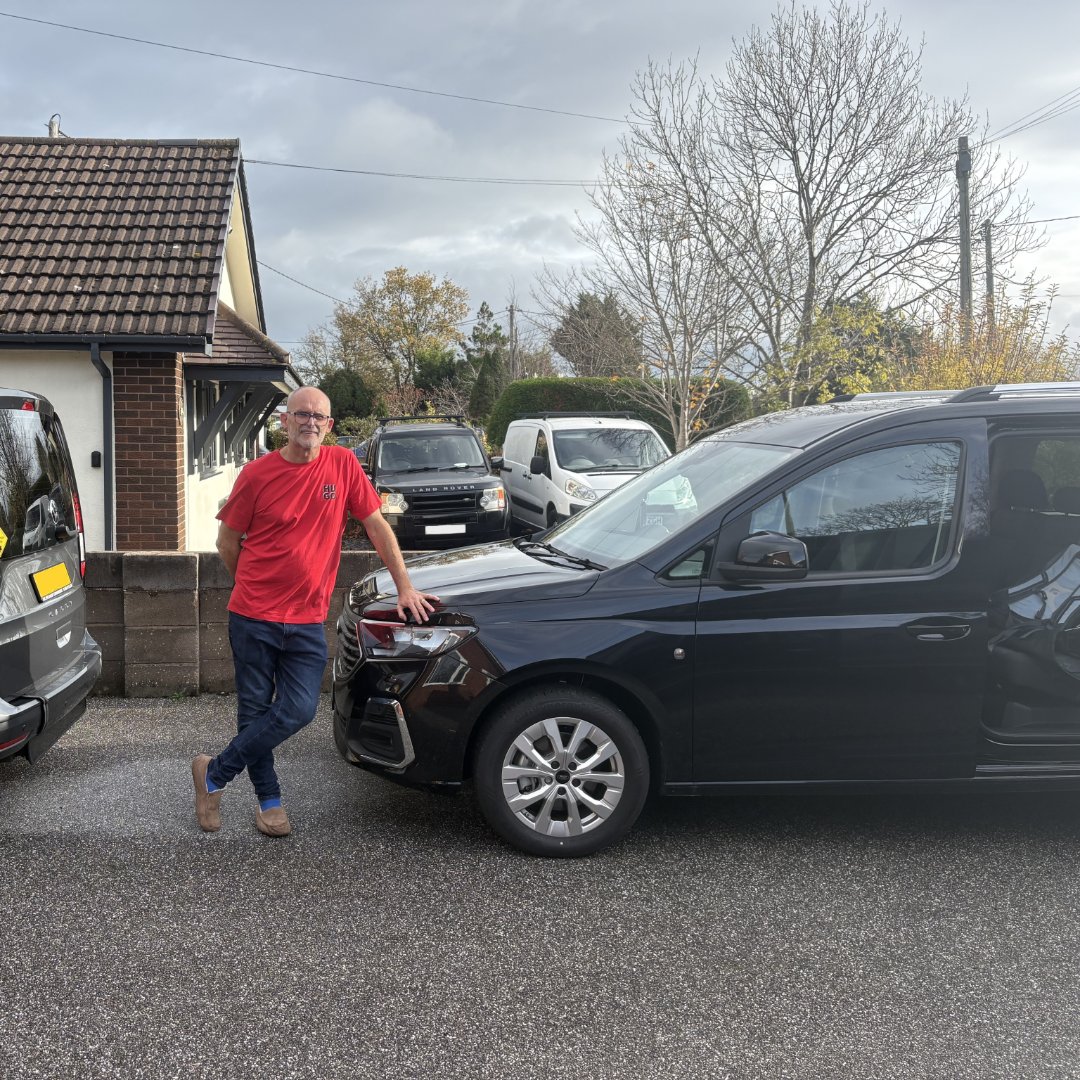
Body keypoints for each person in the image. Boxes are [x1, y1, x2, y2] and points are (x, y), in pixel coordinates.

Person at [192, 386, 438, 836]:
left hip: (306, 618)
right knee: (253, 712)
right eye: (301, 414)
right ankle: (269, 802)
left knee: (300, 710)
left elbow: (376, 525)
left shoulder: (343, 465)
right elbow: (227, 543)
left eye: (319, 417)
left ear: (329, 426)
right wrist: (254, 586)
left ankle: (213, 774)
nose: (310, 422)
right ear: (284, 421)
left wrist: (405, 587)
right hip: (253, 617)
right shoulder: (256, 474)